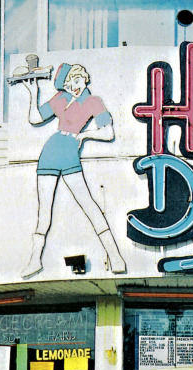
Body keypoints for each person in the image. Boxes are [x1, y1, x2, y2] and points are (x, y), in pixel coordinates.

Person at [20, 63, 127, 278]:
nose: (74, 87)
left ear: (84, 78)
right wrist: (33, 92)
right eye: (69, 84)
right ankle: (34, 260)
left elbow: (108, 133)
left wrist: (85, 135)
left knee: (88, 202)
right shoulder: (61, 97)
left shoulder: (93, 101)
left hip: (70, 150)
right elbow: (35, 118)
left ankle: (115, 256)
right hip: (50, 151)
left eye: (76, 81)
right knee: (44, 211)